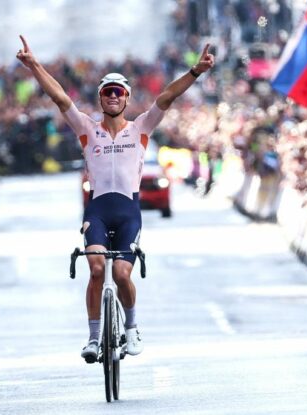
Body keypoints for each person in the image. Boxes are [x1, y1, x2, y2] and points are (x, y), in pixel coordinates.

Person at [16, 35, 214, 362]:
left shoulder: (140, 129)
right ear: (99, 99)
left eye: (117, 92)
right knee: (95, 269)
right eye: (106, 92)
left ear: (126, 99)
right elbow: (61, 99)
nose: (111, 97)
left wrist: (196, 71)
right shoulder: (87, 129)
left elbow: (166, 98)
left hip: (127, 213)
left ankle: (132, 327)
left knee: (122, 275)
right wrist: (34, 65)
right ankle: (94, 338)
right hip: (97, 211)